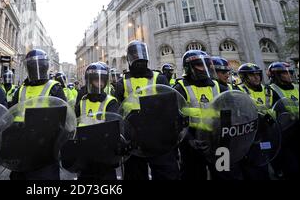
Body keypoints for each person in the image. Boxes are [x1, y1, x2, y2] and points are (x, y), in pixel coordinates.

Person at [115, 40, 179, 180]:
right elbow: (118, 113)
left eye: (141, 54)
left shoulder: (159, 78)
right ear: (129, 59)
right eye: (134, 55)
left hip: (158, 137)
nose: (139, 58)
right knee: (135, 175)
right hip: (134, 140)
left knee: (166, 174)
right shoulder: (122, 83)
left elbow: (170, 108)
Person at [173, 50, 238, 180]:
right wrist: (189, 139)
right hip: (192, 143)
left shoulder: (220, 87)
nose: (205, 68)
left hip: (219, 142)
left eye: (207, 64)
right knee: (194, 176)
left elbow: (230, 114)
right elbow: (175, 118)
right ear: (189, 67)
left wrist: (225, 138)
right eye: (199, 65)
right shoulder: (180, 88)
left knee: (224, 175)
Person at [9, 49, 67, 180]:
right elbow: (10, 116)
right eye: (32, 66)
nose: (36, 70)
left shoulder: (55, 88)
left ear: (45, 67)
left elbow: (62, 121)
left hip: (45, 151)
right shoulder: (20, 90)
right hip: (21, 148)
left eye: (39, 66)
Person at [75, 62, 120, 180]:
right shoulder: (82, 102)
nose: (100, 84)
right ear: (89, 81)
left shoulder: (111, 102)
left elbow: (114, 129)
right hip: (85, 154)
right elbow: (76, 124)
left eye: (102, 81)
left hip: (104, 154)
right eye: (96, 80)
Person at [236, 62, 272, 180]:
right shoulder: (237, 91)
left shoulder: (268, 90)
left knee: (265, 164)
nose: (256, 77)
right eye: (252, 75)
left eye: (258, 74)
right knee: (252, 168)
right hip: (248, 134)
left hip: (266, 131)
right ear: (244, 77)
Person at [267, 62, 299, 180]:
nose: (289, 75)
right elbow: (270, 112)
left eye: (290, 72)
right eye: (285, 73)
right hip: (285, 134)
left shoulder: (297, 87)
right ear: (276, 75)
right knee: (292, 169)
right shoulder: (270, 90)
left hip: (298, 130)